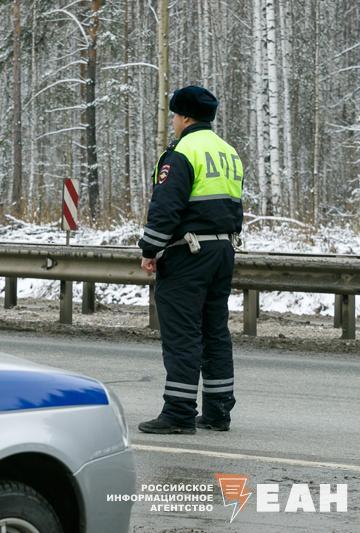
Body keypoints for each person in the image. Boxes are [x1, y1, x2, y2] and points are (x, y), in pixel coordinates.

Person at [137, 85, 243, 435]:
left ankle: (179, 412)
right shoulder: (228, 152)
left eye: (174, 116)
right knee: (215, 331)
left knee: (183, 333)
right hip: (223, 250)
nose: (173, 122)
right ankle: (217, 411)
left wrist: (150, 249)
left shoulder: (182, 151)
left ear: (183, 117)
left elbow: (166, 207)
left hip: (188, 252)